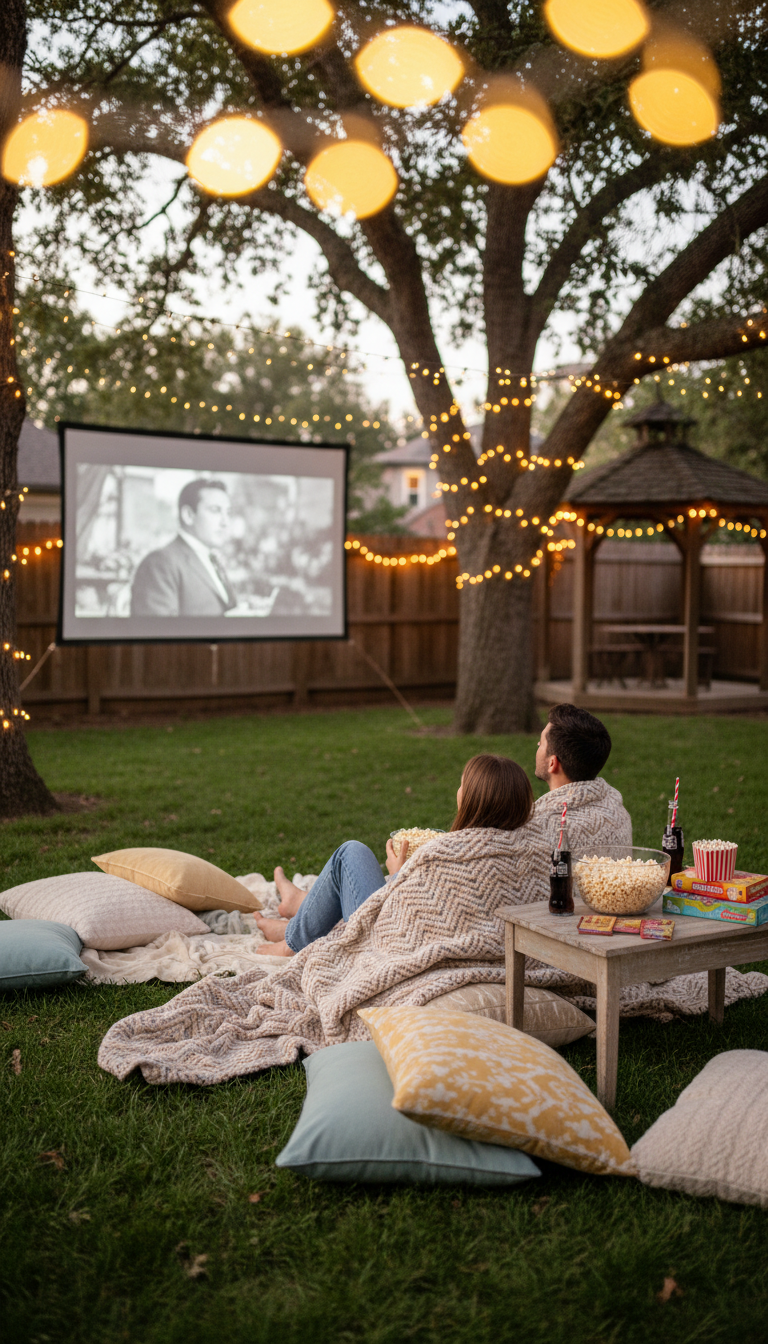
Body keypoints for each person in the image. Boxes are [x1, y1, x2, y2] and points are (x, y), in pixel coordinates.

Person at [255, 752, 534, 957]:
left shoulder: (450, 852)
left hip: (386, 941)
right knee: (358, 868)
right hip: (418, 933)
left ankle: (290, 944)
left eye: (462, 785)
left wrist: (396, 872)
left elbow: (406, 913)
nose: (457, 790)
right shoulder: (521, 848)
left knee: (350, 854)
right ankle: (297, 907)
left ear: (473, 799)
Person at [532, 702, 632, 852]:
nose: (538, 745)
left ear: (552, 763)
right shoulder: (617, 808)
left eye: (541, 743)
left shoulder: (540, 826)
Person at [130, 478, 236, 617]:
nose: (225, 522)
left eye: (228, 512)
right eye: (215, 510)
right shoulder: (159, 563)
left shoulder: (212, 559)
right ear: (188, 515)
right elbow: (155, 632)